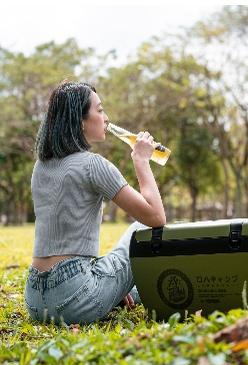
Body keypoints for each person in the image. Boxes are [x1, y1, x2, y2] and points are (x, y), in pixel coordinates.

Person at [25, 80, 166, 325]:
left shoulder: (41, 166)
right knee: (139, 229)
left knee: (113, 274)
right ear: (80, 121)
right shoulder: (93, 165)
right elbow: (155, 217)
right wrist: (142, 161)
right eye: (100, 110)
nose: (106, 118)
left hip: (35, 300)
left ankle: (117, 293)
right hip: (74, 297)